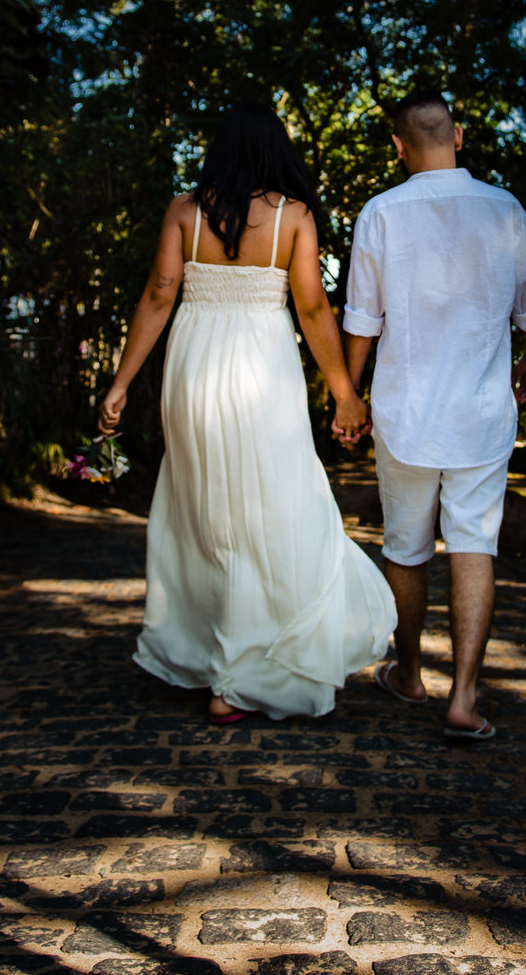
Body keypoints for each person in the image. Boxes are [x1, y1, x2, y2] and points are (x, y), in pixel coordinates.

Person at [97, 101, 397, 723]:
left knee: (203, 509)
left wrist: (121, 383)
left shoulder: (185, 210)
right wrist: (344, 392)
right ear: (274, 150)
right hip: (263, 366)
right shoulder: (294, 217)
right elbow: (313, 309)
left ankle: (212, 657)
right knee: (276, 506)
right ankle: (242, 673)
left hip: (194, 369)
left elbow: (159, 294)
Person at [342, 88, 526, 741]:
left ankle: (409, 673)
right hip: (483, 411)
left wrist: (347, 394)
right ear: (457, 136)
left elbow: (361, 320)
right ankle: (463, 697)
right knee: (474, 544)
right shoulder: (505, 209)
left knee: (405, 549)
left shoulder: (379, 213)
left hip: (405, 411)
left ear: (398, 147)